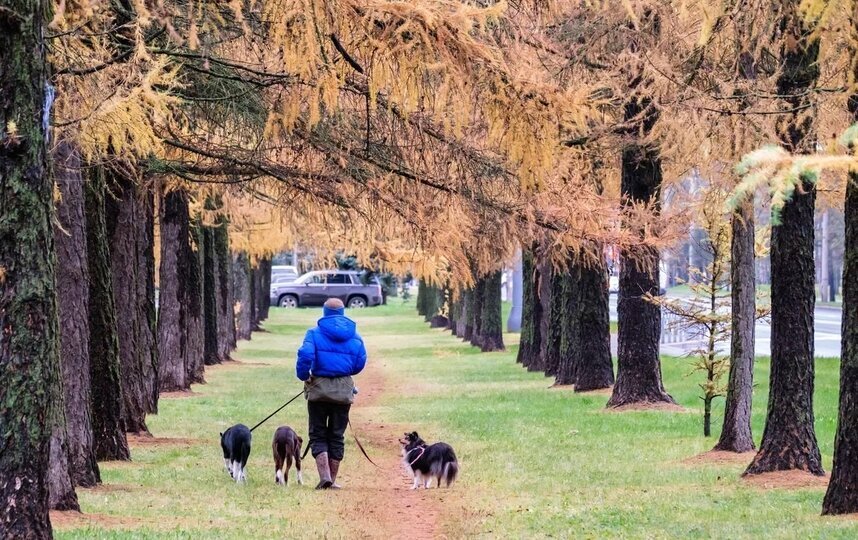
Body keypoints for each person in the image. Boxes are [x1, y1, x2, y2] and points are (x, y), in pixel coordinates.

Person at [296, 297, 367, 489]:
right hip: (343, 391)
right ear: (343, 312)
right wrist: (345, 372)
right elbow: (360, 362)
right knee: (336, 435)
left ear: (325, 312)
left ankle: (324, 476)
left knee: (318, 433)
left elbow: (305, 355)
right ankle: (332, 480)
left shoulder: (313, 333)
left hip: (318, 390)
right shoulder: (356, 337)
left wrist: (304, 375)